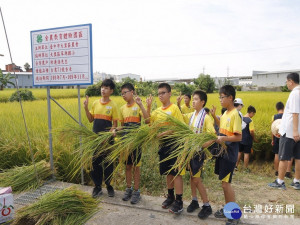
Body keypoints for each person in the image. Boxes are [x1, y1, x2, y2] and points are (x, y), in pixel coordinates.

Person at [147, 83, 185, 214]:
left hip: (175, 145)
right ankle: (170, 196)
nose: (161, 95)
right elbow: (149, 123)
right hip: (163, 145)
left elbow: (179, 127)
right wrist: (144, 106)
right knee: (168, 172)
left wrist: (163, 133)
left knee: (176, 173)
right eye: (159, 93)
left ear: (170, 93)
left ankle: (179, 201)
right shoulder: (156, 111)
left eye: (163, 93)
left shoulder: (174, 108)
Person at [182, 90, 215, 219]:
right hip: (190, 151)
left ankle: (207, 205)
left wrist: (202, 146)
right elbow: (180, 117)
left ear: (202, 102)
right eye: (193, 99)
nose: (193, 101)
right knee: (192, 176)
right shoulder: (191, 115)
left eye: (196, 99)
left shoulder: (205, 117)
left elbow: (213, 136)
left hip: (198, 153)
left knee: (196, 178)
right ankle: (194, 200)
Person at [84, 79, 119, 198]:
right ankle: (97, 186)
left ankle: (109, 185)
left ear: (111, 91)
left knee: (108, 163)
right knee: (95, 163)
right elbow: (90, 119)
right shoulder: (95, 103)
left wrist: (107, 136)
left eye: (106, 88)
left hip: (108, 140)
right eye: (102, 87)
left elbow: (115, 125)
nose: (103, 90)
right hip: (95, 139)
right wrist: (85, 108)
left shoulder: (113, 105)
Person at [213, 85, 242, 225]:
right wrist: (214, 117)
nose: (220, 99)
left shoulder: (235, 114)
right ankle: (228, 209)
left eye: (222, 97)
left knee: (226, 185)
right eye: (219, 97)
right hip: (222, 152)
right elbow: (223, 127)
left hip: (229, 154)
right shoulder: (225, 114)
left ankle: (234, 214)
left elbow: (238, 137)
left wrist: (223, 138)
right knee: (224, 184)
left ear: (230, 98)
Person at [119, 83, 149, 204]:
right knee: (127, 166)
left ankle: (137, 191)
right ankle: (128, 189)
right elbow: (122, 127)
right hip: (126, 142)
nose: (123, 95)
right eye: (121, 94)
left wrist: (141, 105)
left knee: (136, 167)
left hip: (136, 142)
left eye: (125, 93)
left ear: (132, 92)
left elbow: (147, 120)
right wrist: (115, 130)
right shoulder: (122, 109)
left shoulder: (138, 105)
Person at [269, 73, 300, 190]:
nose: (286, 84)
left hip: (290, 131)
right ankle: (296, 181)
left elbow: (295, 113)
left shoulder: (294, 94)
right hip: (297, 131)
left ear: (291, 81)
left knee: (283, 157)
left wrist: (295, 131)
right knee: (298, 157)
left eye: (287, 82)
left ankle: (280, 181)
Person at [271, 102, 294, 178]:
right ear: (283, 108)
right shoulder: (287, 116)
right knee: (288, 155)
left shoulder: (274, 117)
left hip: (277, 136)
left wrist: (273, 139)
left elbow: (273, 129)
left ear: (276, 108)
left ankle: (277, 171)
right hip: (286, 136)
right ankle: (287, 172)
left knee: (277, 154)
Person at [236, 105, 258, 172]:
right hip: (247, 139)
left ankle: (235, 166)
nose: (253, 115)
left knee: (239, 152)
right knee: (246, 153)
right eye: (253, 114)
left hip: (239, 138)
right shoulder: (250, 120)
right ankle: (245, 169)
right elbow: (251, 131)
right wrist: (254, 138)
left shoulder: (241, 118)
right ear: (251, 112)